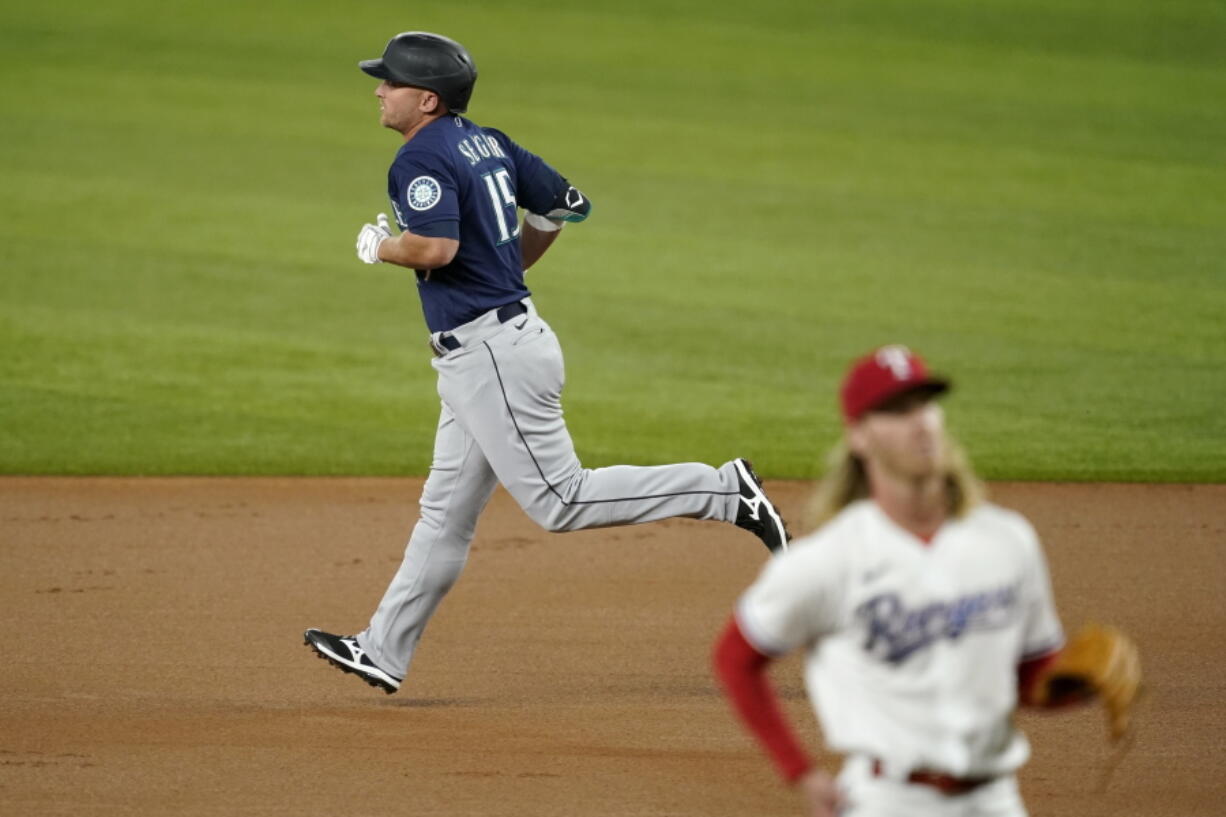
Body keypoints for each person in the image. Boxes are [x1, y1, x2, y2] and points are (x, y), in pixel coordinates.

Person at [304, 31, 790, 695]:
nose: (378, 90)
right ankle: (382, 650)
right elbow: (566, 204)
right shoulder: (489, 141)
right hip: (491, 351)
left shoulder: (419, 158)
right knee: (444, 515)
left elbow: (436, 249)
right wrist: (511, 262)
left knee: (562, 499)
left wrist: (381, 246)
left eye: (389, 82)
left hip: (493, 357)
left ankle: (725, 490)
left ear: (426, 98)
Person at [712, 345, 1139, 817]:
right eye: (896, 411)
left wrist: (1077, 689)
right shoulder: (827, 561)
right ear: (858, 436)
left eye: (924, 404)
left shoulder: (1007, 540)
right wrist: (801, 772)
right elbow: (735, 657)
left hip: (996, 799)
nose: (920, 422)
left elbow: (1026, 678)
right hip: (887, 800)